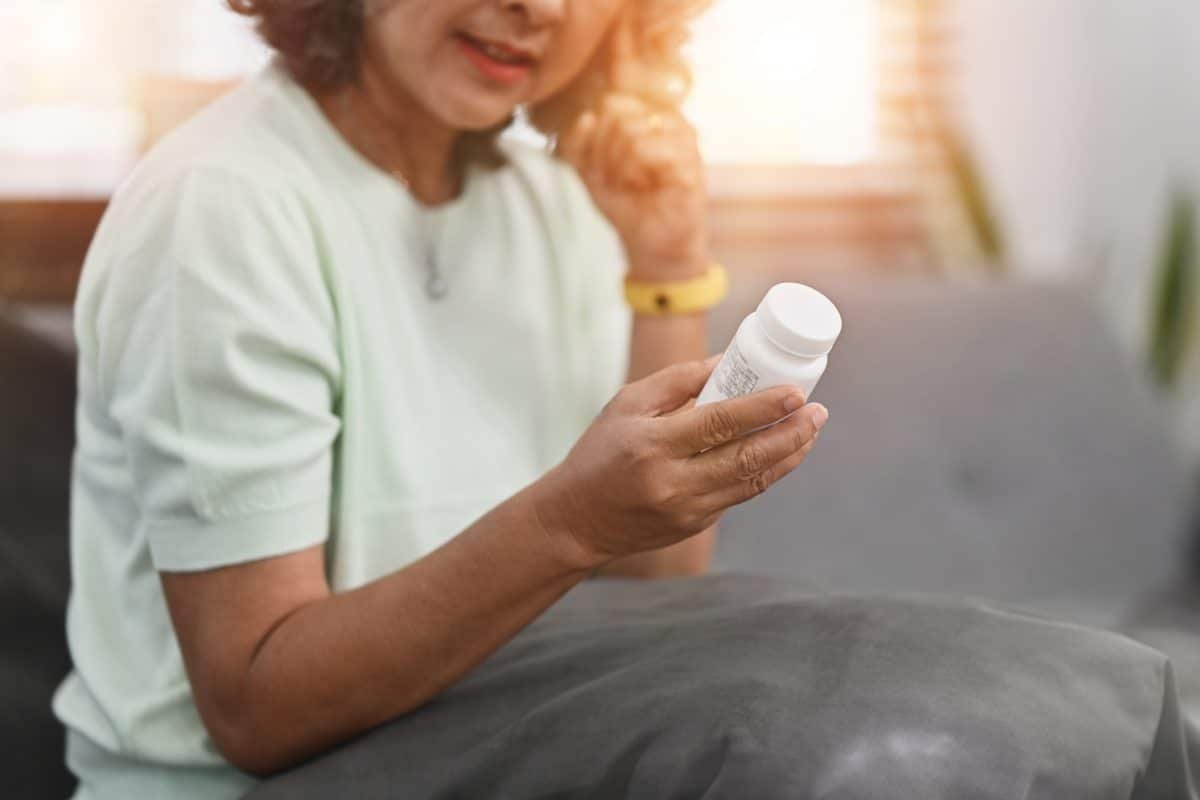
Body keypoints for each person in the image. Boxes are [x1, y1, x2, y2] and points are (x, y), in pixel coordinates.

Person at [54, 0, 829, 796]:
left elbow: (655, 583)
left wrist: (666, 268)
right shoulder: (222, 203)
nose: (542, 7)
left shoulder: (560, 203)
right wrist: (571, 523)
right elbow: (257, 709)